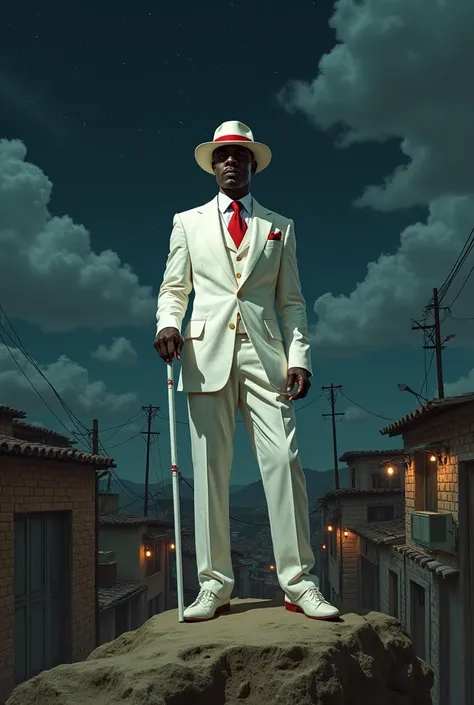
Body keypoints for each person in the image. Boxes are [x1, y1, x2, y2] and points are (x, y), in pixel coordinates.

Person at [154, 120, 339, 622]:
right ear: (213, 166)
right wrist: (168, 324)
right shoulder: (186, 222)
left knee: (284, 461)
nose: (231, 162)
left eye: (240, 155)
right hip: (203, 353)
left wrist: (299, 356)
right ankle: (214, 585)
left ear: (253, 165)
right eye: (223, 156)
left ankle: (299, 583)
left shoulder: (280, 226)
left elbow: (293, 302)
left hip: (267, 355)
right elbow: (175, 289)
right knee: (210, 469)